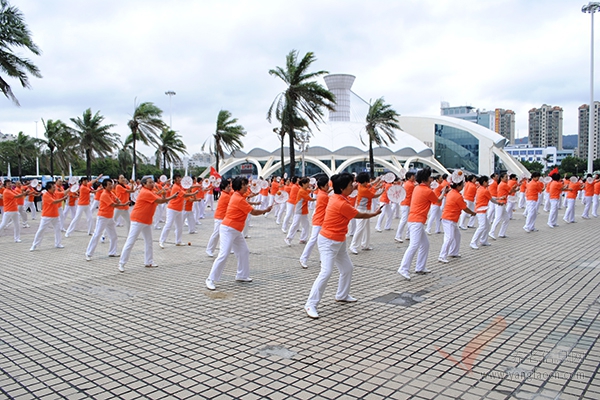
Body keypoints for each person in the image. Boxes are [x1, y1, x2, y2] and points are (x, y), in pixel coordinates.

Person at [304, 173, 382, 319]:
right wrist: (374, 214)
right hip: (328, 241)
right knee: (326, 272)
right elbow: (359, 215)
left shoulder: (337, 196)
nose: (353, 186)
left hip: (339, 241)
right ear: (342, 188)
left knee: (347, 268)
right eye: (350, 185)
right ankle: (310, 304)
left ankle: (342, 295)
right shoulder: (340, 203)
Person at [205, 177, 272, 291]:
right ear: (238, 187)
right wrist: (265, 210)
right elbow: (253, 212)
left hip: (236, 230)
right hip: (228, 229)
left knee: (244, 251)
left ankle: (242, 275)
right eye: (244, 185)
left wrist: (254, 194)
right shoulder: (238, 198)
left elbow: (248, 197)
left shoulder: (238, 195)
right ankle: (210, 279)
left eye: (246, 184)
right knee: (224, 254)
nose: (246, 186)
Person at [118, 177, 179, 272]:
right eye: (149, 182)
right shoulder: (145, 192)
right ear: (144, 184)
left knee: (149, 242)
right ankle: (122, 263)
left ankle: (149, 261)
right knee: (131, 241)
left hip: (147, 220)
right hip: (138, 219)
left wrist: (164, 194)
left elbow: (160, 199)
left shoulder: (151, 192)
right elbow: (159, 201)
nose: (152, 184)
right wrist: (172, 197)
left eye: (152, 182)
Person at [398, 169, 449, 280]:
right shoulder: (427, 191)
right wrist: (444, 192)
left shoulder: (417, 188)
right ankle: (403, 268)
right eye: (430, 178)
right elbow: (438, 201)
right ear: (425, 179)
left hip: (415, 220)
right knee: (414, 245)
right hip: (417, 221)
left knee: (425, 244)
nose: (432, 180)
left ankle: (420, 267)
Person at [85, 179, 127, 261]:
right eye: (109, 185)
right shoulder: (104, 194)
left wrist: (119, 201)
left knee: (113, 236)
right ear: (104, 186)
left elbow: (117, 200)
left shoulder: (110, 193)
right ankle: (88, 253)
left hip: (109, 217)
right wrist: (123, 204)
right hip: (103, 217)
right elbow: (113, 204)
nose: (111, 186)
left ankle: (112, 252)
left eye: (111, 184)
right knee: (97, 234)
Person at [438, 175, 476, 263]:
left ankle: (453, 252)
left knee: (457, 236)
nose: (463, 186)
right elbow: (465, 208)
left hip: (451, 218)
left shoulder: (452, 192)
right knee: (449, 238)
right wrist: (473, 213)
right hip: (449, 218)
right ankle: (442, 256)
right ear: (458, 186)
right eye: (462, 185)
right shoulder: (456, 195)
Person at [299, 176, 330, 269]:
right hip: (319, 220)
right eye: (327, 185)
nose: (328, 186)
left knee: (323, 240)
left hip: (322, 220)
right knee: (313, 239)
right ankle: (303, 258)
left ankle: (323, 258)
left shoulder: (321, 192)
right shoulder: (323, 196)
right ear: (323, 186)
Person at [349, 172, 382, 254]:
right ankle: (353, 246)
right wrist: (382, 191)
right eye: (366, 181)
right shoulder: (363, 189)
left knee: (366, 228)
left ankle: (365, 245)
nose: (367, 183)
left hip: (366, 209)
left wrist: (377, 181)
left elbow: (370, 184)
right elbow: (374, 196)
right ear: (363, 181)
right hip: (361, 210)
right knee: (360, 228)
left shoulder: (361, 185)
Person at [30, 181, 69, 251]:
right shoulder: (46, 195)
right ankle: (34, 245)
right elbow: (54, 202)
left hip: (55, 215)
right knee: (41, 230)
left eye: (55, 187)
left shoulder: (55, 193)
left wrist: (71, 188)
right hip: (46, 216)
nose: (55, 188)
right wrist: (63, 199)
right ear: (49, 188)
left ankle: (58, 243)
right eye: (53, 187)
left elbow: (63, 193)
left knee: (57, 229)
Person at [159, 174, 195, 248]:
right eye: (178, 178)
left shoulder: (181, 186)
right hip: (172, 209)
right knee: (168, 225)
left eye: (180, 178)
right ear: (175, 180)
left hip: (179, 209)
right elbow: (185, 195)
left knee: (179, 226)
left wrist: (191, 185)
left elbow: (186, 188)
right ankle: (161, 241)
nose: (180, 179)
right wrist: (194, 193)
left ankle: (178, 241)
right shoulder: (176, 187)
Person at [285, 177, 315, 246]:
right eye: (307, 183)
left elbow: (310, 190)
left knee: (306, 225)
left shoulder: (304, 189)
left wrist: (316, 189)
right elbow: (310, 199)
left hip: (303, 211)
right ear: (303, 184)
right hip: (299, 210)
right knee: (295, 224)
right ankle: (288, 238)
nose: (308, 184)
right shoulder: (301, 191)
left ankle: (303, 239)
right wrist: (318, 198)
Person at [470, 176, 498, 249]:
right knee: (482, 226)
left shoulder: (480, 188)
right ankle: (473, 242)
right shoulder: (485, 190)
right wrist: (498, 202)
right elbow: (491, 199)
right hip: (481, 210)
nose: (488, 183)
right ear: (484, 182)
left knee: (486, 225)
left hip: (481, 209)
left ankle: (483, 240)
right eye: (487, 182)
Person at [206, 179, 232, 257]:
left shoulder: (226, 194)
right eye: (228, 187)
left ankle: (228, 249)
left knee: (228, 233)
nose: (229, 188)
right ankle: (209, 249)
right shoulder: (225, 196)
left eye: (229, 186)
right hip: (220, 217)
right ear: (223, 188)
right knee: (216, 234)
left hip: (224, 217)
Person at [489, 173, 513, 240]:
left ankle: (501, 233)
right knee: (498, 218)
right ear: (501, 178)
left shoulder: (501, 184)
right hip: (500, 203)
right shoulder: (503, 184)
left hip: (502, 202)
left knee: (506, 219)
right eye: (505, 177)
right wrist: (514, 188)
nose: (507, 178)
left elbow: (509, 192)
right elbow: (510, 191)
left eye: (507, 177)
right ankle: (491, 232)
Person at [394, 172, 416, 243]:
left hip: (407, 204)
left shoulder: (407, 183)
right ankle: (398, 236)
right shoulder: (410, 185)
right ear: (409, 177)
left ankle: (407, 235)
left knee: (409, 220)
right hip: (406, 204)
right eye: (413, 176)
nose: (414, 177)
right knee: (404, 220)